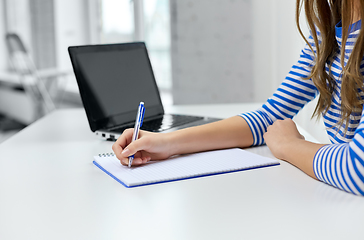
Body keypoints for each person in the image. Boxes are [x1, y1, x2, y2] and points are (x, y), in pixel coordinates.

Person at [113, 0, 364, 196]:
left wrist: (290, 145)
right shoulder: (328, 29)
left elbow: (358, 169)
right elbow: (269, 117)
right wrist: (167, 144)